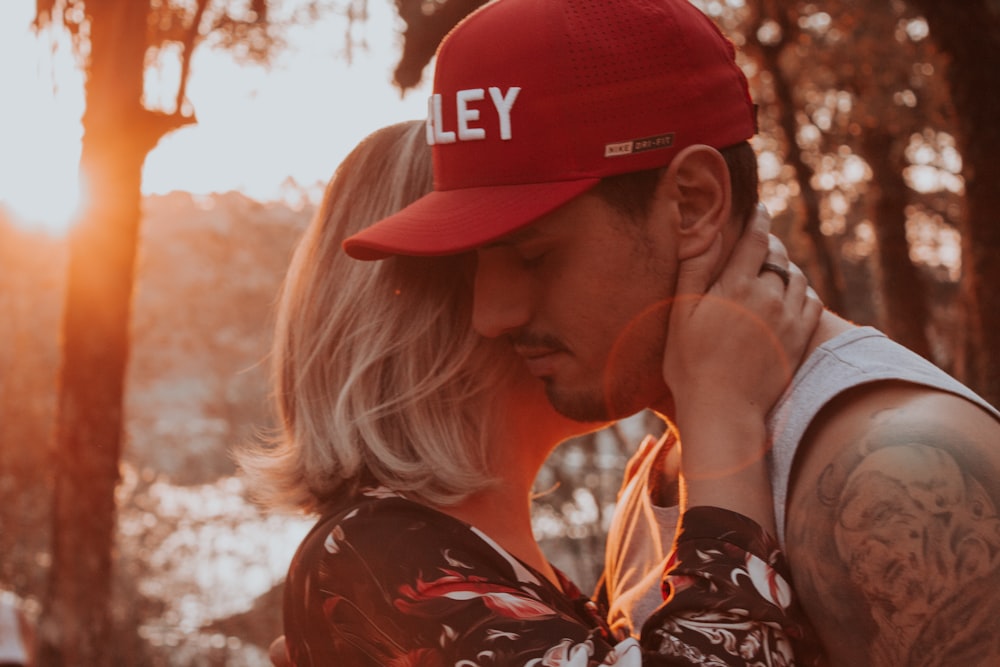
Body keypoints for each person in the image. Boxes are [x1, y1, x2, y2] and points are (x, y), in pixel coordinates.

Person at [341, 0, 1000, 665]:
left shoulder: (903, 468)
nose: (491, 314)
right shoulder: (664, 473)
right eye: (473, 266)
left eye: (534, 254)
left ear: (693, 202)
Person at [243, 119, 827, 666]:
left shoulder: (467, 560)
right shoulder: (381, 550)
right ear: (442, 312)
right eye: (531, 256)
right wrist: (722, 412)